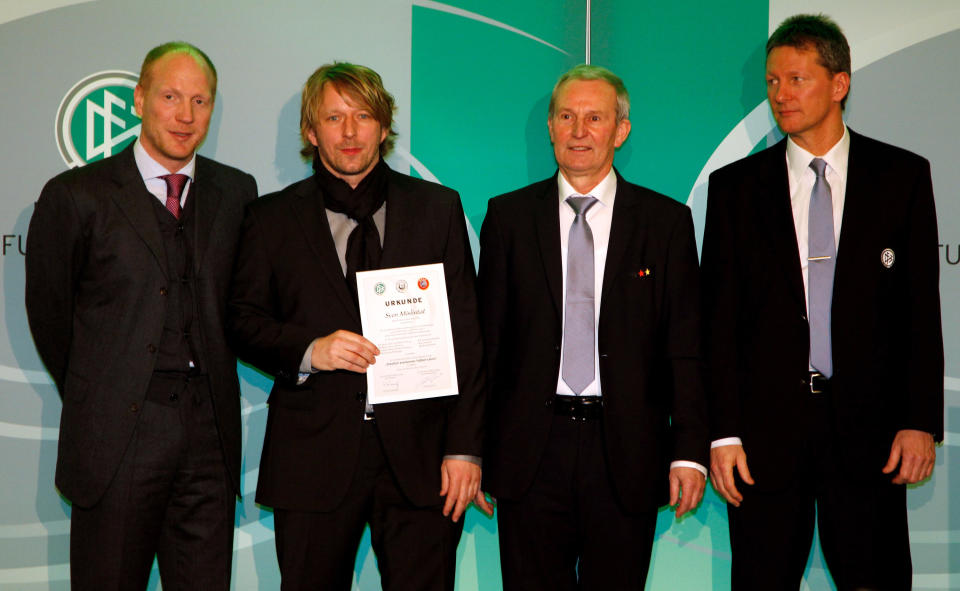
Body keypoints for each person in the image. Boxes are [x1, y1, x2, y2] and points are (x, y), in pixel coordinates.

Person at [701, 14, 943, 590]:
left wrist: (920, 421)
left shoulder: (902, 176)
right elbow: (718, 323)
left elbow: (919, 311)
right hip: (763, 438)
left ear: (840, 84)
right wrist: (723, 432)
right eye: (772, 81)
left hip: (873, 434)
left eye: (798, 79)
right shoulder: (735, 188)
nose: (782, 95)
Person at [226, 62, 488, 591]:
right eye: (334, 117)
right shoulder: (270, 218)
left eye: (363, 116)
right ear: (309, 129)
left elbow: (468, 336)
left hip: (422, 461)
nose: (349, 132)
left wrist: (464, 449)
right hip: (312, 457)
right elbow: (241, 320)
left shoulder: (437, 208)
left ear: (385, 127)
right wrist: (308, 349)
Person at [25, 42, 257, 590]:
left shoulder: (237, 192)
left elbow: (247, 306)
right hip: (117, 439)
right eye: (171, 96)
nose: (185, 115)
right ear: (138, 99)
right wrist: (103, 388)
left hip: (209, 441)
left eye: (200, 101)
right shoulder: (75, 195)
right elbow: (50, 316)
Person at [477, 64, 709, 590]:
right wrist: (473, 449)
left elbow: (686, 349)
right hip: (530, 454)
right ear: (551, 128)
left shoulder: (666, 223)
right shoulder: (508, 218)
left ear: (620, 131)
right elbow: (487, 346)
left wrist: (690, 451)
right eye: (566, 116)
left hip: (626, 450)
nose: (579, 130)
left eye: (595, 118)